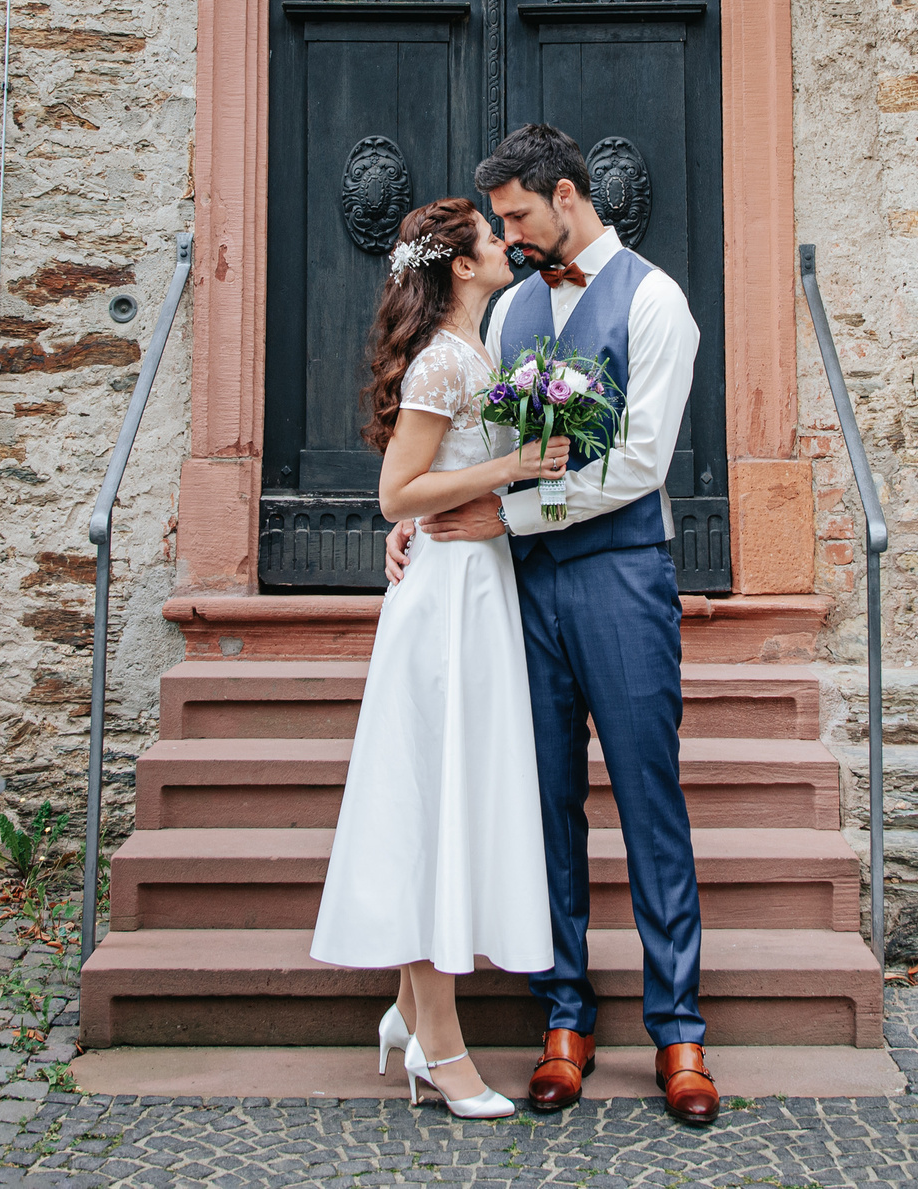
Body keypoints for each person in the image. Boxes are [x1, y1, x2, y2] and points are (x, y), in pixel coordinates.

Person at [384, 124, 720, 1128]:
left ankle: (678, 1029)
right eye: (503, 222)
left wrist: (508, 513)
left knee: (648, 795)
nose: (512, 234)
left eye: (521, 214)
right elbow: (446, 437)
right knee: (543, 804)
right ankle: (562, 1018)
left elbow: (643, 460)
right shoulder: (515, 303)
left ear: (567, 195)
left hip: (619, 576)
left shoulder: (657, 301)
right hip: (516, 591)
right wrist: (409, 531)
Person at [308, 196, 568, 1118]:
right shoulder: (447, 362)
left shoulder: (483, 353)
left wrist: (452, 498)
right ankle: (445, 1050)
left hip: (474, 586)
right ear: (460, 264)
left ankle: (411, 1020)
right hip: (447, 604)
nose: (507, 246)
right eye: (492, 238)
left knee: (445, 803)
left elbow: (417, 494)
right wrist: (512, 467)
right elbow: (393, 492)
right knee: (435, 808)